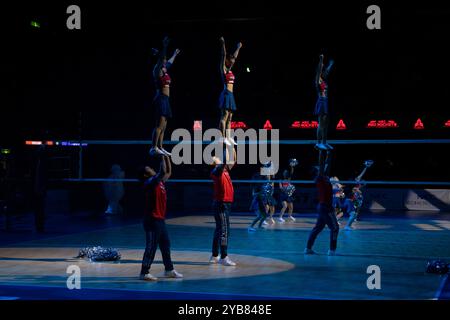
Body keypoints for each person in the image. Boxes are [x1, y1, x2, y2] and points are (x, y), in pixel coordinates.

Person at [139, 155, 183, 281]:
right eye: (149, 169)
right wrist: (160, 155)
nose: (152, 169)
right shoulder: (149, 182)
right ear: (145, 175)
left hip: (160, 220)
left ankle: (169, 270)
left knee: (165, 245)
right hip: (152, 220)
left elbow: (168, 171)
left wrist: (166, 155)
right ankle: (144, 272)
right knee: (151, 246)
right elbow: (163, 171)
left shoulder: (159, 182)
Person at [149, 36, 180, 157]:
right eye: (163, 59)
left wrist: (175, 54)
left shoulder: (164, 69)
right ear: (160, 59)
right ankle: (153, 147)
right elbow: (162, 57)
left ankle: (160, 147)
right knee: (159, 124)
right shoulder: (157, 70)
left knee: (165, 125)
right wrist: (165, 46)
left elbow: (170, 62)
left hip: (166, 100)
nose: (165, 60)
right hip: (160, 98)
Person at [304, 149, 339, 256]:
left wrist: (329, 153)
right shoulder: (319, 178)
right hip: (326, 207)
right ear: (317, 171)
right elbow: (322, 163)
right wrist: (321, 151)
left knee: (318, 228)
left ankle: (308, 249)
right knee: (335, 228)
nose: (320, 167)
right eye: (318, 167)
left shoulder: (325, 177)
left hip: (323, 206)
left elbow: (327, 163)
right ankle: (332, 250)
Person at [209, 146, 237, 266]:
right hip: (221, 204)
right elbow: (225, 161)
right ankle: (223, 257)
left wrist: (231, 146)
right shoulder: (216, 172)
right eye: (216, 158)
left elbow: (233, 160)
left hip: (225, 204)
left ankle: (215, 255)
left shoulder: (224, 170)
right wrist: (226, 145)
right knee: (224, 230)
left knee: (219, 230)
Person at [218, 37, 242, 146]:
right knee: (225, 116)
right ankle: (223, 138)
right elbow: (223, 54)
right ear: (227, 60)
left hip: (231, 95)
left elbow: (235, 57)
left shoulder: (231, 69)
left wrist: (238, 48)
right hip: (226, 93)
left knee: (230, 117)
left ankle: (228, 137)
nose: (232, 60)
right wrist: (223, 43)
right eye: (230, 58)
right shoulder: (223, 68)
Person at [314, 54, 334, 151]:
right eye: (324, 72)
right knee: (321, 124)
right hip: (321, 102)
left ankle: (324, 143)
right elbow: (319, 70)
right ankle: (318, 143)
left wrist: (330, 64)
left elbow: (327, 71)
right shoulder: (318, 80)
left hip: (326, 102)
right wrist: (321, 60)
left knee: (326, 124)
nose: (325, 73)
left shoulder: (325, 81)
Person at [32, 144, 48, 233]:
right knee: (38, 209)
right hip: (36, 189)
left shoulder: (43, 164)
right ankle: (38, 226)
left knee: (40, 209)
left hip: (40, 190)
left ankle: (40, 226)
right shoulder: (35, 163)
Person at [278, 159, 298, 223]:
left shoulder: (288, 179)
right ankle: (280, 217)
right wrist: (285, 189)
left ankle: (289, 216)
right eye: (284, 172)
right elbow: (280, 188)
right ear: (283, 173)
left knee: (291, 207)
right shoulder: (280, 180)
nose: (285, 173)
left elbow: (292, 172)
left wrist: (292, 166)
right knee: (285, 206)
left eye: (286, 172)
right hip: (283, 195)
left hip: (288, 195)